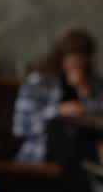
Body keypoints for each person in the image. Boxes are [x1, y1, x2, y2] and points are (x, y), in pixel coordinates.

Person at [13, 28, 103, 164]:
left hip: (86, 150)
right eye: (73, 59)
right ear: (61, 56)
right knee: (58, 128)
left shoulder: (92, 82)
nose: (76, 65)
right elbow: (20, 127)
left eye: (81, 60)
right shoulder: (39, 82)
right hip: (44, 152)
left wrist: (82, 90)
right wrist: (58, 111)